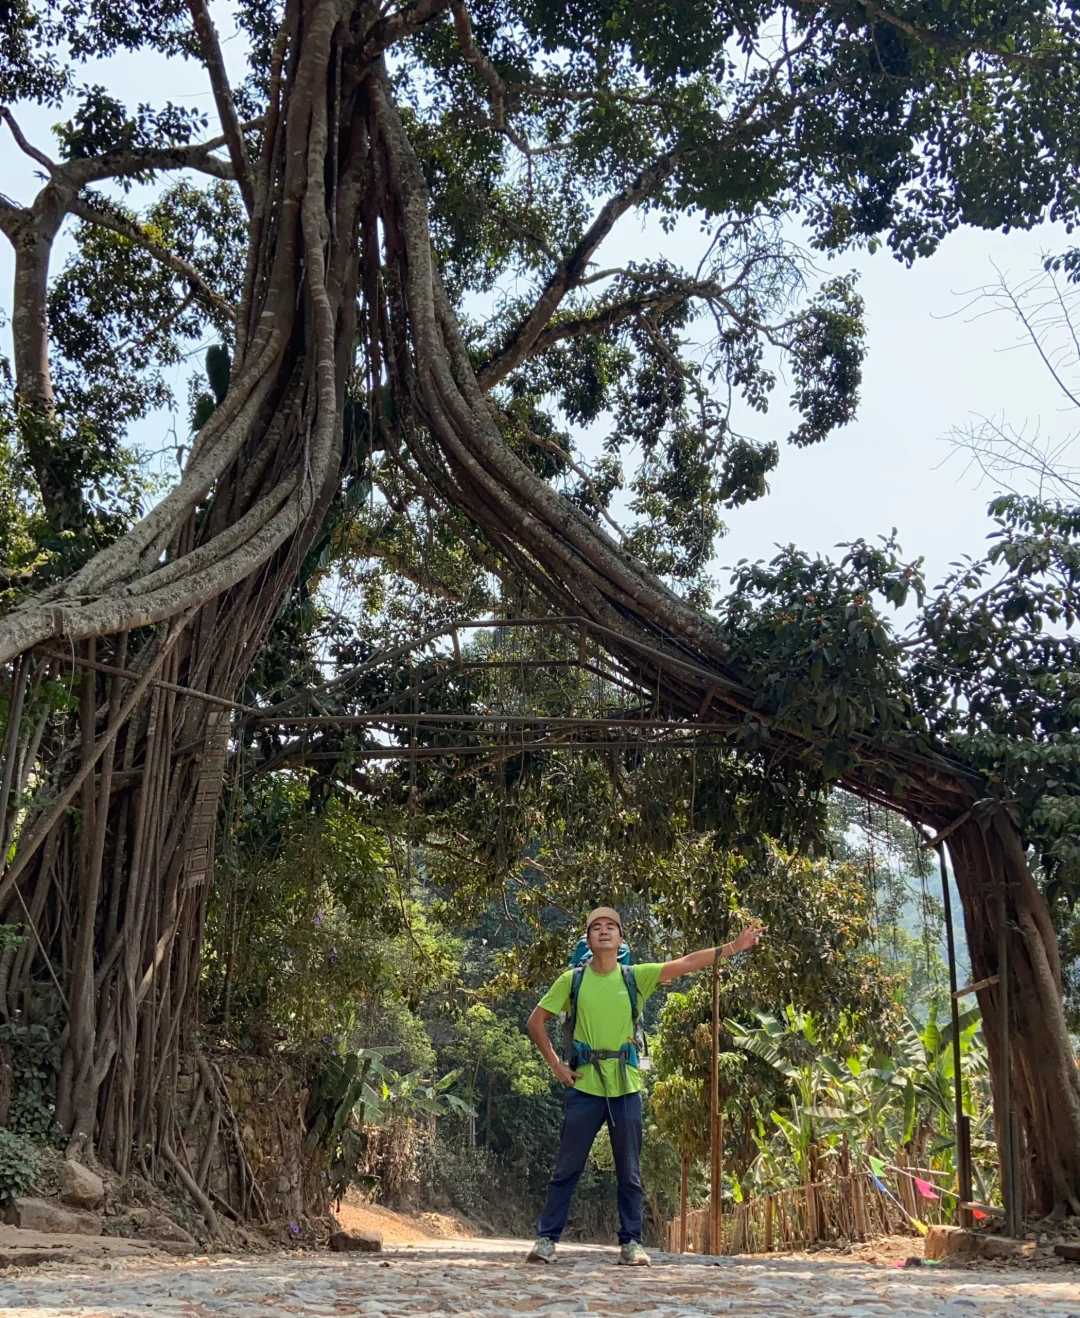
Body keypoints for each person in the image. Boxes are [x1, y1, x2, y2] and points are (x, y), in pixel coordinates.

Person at [524, 905, 765, 1266]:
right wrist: (557, 1066)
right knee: (567, 1168)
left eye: (611, 927)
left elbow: (685, 962)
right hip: (584, 1087)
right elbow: (535, 1021)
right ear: (588, 940)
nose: (604, 932)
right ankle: (546, 1240)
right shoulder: (571, 980)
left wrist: (733, 946)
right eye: (596, 928)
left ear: (620, 938)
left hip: (626, 1087)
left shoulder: (635, 977)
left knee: (630, 1172)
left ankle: (632, 1243)